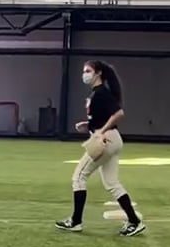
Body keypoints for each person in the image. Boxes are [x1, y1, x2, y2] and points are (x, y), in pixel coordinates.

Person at [55, 60, 145, 237]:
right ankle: (134, 221)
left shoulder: (101, 92)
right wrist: (88, 125)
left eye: (88, 71)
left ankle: (75, 221)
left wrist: (101, 131)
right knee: (112, 183)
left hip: (106, 140)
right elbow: (103, 116)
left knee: (79, 177)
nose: (84, 74)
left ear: (98, 73)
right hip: (113, 139)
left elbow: (118, 113)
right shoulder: (97, 93)